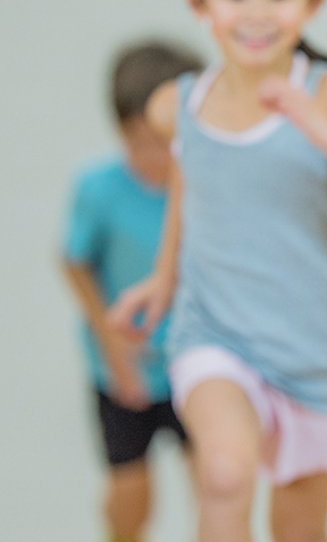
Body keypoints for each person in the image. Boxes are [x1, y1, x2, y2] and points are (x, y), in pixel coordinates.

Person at [109, 0, 327, 539]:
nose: (257, 12)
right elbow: (192, 174)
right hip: (216, 333)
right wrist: (165, 276)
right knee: (225, 473)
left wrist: (314, 124)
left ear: (313, 4)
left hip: (314, 353)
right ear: (199, 3)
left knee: (300, 531)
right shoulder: (175, 104)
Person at [63, 40, 203, 542]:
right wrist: (113, 347)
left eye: (168, 141)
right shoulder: (98, 189)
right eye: (140, 141)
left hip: (193, 362)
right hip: (122, 368)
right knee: (130, 496)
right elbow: (76, 263)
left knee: (215, 485)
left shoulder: (205, 187)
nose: (156, 157)